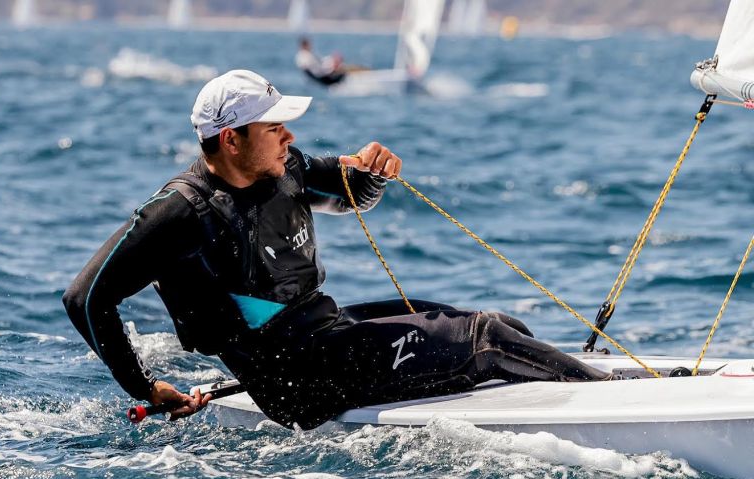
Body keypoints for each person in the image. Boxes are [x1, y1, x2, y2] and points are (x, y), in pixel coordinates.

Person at [62, 69, 612, 429]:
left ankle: (577, 389)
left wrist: (372, 172)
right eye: (275, 128)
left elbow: (351, 195)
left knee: (502, 324)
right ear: (230, 139)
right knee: (486, 339)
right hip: (296, 380)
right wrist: (144, 386)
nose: (290, 137)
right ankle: (608, 399)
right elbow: (85, 298)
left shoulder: (284, 168)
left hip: (325, 332)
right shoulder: (178, 213)